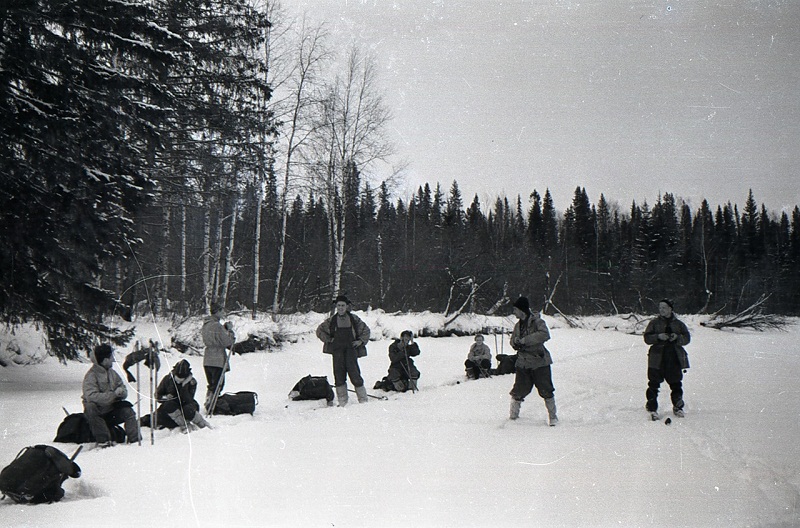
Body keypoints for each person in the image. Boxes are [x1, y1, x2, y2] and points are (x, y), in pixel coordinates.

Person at [508, 296, 558, 426]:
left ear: (521, 310)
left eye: (515, 309)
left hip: (539, 362)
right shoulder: (517, 325)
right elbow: (512, 339)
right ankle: (513, 417)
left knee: (546, 390)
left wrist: (525, 341)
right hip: (522, 363)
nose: (513, 312)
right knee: (518, 391)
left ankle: (553, 418)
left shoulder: (537, 322)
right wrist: (515, 343)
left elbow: (544, 334)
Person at [315, 295, 371, 406]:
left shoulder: (354, 319)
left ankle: (363, 401)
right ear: (336, 306)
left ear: (347, 307)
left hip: (351, 351)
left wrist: (360, 341)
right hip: (337, 351)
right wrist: (329, 339)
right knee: (339, 375)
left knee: (355, 374)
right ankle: (343, 402)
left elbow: (366, 331)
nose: (340, 308)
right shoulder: (331, 321)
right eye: (339, 305)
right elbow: (319, 331)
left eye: (343, 305)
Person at [82, 344, 141, 447]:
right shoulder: (91, 376)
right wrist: (113, 395)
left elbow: (123, 389)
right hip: (97, 414)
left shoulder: (113, 373)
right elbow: (91, 396)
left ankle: (135, 440)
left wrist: (121, 393)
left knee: (128, 411)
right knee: (90, 406)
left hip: (111, 411)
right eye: (111, 357)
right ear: (105, 360)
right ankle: (104, 442)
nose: (113, 360)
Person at [643, 298, 691, 420]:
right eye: (660, 308)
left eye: (664, 307)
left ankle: (678, 406)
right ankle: (652, 408)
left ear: (670, 309)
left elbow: (686, 339)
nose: (661, 310)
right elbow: (647, 338)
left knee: (676, 383)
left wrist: (677, 337)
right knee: (653, 384)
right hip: (656, 358)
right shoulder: (654, 323)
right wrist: (658, 337)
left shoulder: (679, 324)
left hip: (674, 358)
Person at [153, 360, 211, 432]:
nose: (179, 380)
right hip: (170, 409)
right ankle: (185, 426)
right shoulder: (167, 379)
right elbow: (158, 396)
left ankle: (204, 425)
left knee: (188, 410)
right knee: (167, 407)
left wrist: (184, 387)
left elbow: (188, 399)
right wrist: (166, 397)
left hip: (186, 407)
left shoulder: (192, 382)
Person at [202, 301, 236, 413]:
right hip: (217, 358)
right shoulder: (217, 325)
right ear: (217, 312)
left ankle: (209, 402)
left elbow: (216, 336)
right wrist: (230, 331)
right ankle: (211, 406)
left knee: (211, 384)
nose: (223, 313)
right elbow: (226, 341)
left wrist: (224, 328)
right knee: (218, 384)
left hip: (207, 358)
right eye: (222, 311)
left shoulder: (206, 324)